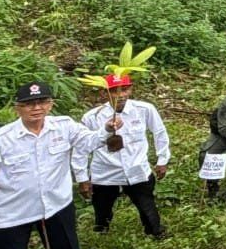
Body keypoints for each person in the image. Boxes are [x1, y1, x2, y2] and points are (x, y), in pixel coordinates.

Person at [0, 82, 122, 249]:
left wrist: (107, 130)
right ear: (17, 108)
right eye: (29, 104)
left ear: (50, 104)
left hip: (56, 204)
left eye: (42, 102)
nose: (36, 108)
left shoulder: (64, 126)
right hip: (12, 211)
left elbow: (88, 142)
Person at [72, 74, 170, 238]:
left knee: (147, 208)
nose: (121, 95)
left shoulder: (144, 109)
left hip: (137, 169)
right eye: (114, 91)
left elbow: (159, 133)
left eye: (124, 89)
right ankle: (101, 236)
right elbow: (81, 148)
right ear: (104, 93)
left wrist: (162, 160)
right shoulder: (92, 117)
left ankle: (155, 232)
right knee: (102, 211)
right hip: (105, 172)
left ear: (131, 89)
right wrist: (82, 178)